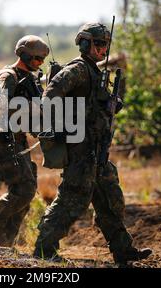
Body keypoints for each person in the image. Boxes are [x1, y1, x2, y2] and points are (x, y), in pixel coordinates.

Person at [33, 22, 152, 265]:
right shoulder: (77, 69)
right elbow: (50, 94)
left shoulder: (95, 72)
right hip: (82, 150)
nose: (103, 49)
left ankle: (123, 250)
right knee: (72, 199)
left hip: (97, 150)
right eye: (98, 43)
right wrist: (63, 126)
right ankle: (44, 249)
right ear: (85, 43)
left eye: (106, 44)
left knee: (110, 199)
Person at [0, 35, 49, 247]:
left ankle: (4, 242)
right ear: (24, 54)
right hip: (5, 140)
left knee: (27, 192)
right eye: (36, 58)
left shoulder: (30, 79)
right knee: (23, 190)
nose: (39, 63)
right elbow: (1, 105)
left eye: (42, 59)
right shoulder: (9, 75)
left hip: (19, 139)